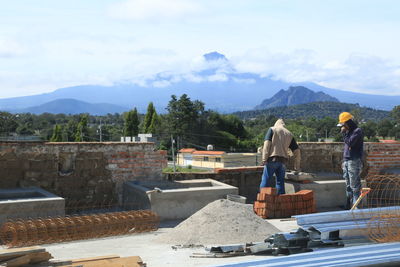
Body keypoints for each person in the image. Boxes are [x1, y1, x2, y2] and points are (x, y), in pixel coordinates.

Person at [260, 119, 301, 194]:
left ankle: (263, 200)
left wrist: (264, 159)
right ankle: (280, 202)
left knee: (266, 180)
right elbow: (297, 151)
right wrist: (296, 166)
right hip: (283, 162)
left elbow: (266, 145)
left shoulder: (272, 129)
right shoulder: (289, 134)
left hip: (272, 159)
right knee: (280, 183)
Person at [337, 112, 364, 209]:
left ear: (348, 123)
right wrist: (343, 161)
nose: (342, 127)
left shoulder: (357, 131)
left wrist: (343, 133)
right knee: (348, 184)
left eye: (343, 125)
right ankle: (348, 205)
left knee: (354, 185)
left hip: (354, 161)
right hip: (347, 161)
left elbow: (350, 143)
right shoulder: (349, 132)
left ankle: (356, 207)